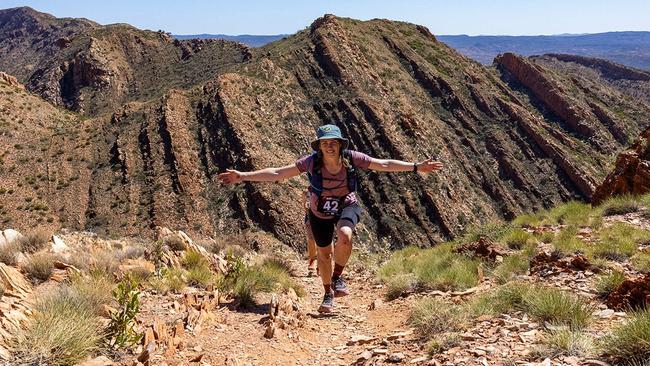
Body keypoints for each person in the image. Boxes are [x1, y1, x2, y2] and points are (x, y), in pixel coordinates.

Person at [218, 124, 444, 313]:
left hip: (347, 204)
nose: (329, 145)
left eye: (333, 141)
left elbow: (382, 164)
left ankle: (337, 277)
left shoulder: (352, 158)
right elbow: (279, 173)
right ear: (319, 145)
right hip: (319, 212)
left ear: (340, 144)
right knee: (324, 254)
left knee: (345, 236)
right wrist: (243, 176)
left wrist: (415, 167)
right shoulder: (311, 162)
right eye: (325, 142)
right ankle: (328, 292)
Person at [304, 189, 318, 277]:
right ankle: (312, 259)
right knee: (311, 240)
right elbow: (305, 206)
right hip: (310, 218)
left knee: (322, 241)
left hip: (325, 218)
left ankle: (320, 264)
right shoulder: (306, 192)